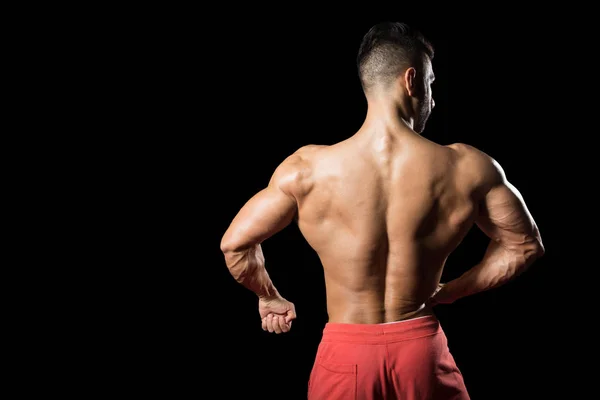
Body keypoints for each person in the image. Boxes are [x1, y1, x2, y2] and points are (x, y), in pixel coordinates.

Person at [220, 21, 545, 400]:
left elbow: (235, 246)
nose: (433, 98)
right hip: (420, 350)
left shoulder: (306, 169)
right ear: (411, 80)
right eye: (431, 83)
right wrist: (450, 292)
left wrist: (269, 296)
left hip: (345, 353)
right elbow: (524, 246)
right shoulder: (468, 168)